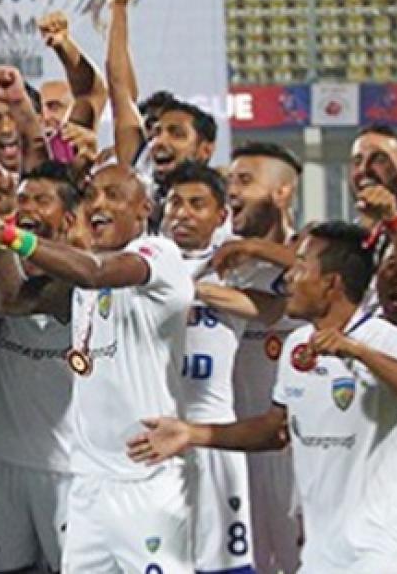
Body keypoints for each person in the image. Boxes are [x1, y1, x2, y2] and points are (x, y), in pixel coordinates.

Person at [129, 222, 397, 572]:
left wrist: (358, 352)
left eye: (300, 266)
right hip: (321, 552)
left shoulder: (385, 339)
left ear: (331, 283)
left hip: (380, 550)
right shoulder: (297, 345)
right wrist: (191, 433)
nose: (288, 278)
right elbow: (274, 430)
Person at [0, 161, 195, 572]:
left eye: (113, 195)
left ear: (144, 209)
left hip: (147, 481)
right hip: (88, 483)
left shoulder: (159, 255)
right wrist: (1, 230)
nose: (98, 204)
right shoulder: (84, 267)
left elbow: (95, 273)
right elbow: (13, 300)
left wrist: (7, 233)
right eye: (91, 196)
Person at [0, 162, 80, 574]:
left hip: (65, 467)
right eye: (23, 199)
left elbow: (12, 301)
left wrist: (1, 229)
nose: (29, 208)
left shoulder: (80, 274)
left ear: (69, 219)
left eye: (42, 200)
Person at [161, 161, 256, 574]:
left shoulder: (236, 264)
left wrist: (190, 288)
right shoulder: (143, 259)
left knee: (226, 565)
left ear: (221, 215)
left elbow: (270, 308)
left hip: (214, 430)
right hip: (155, 430)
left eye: (196, 204)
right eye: (174, 203)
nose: (182, 213)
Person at [221, 141, 304, 573]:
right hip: (233, 442)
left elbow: (312, 262)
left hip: (295, 447)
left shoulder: (311, 259)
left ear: (281, 192)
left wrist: (254, 248)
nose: (232, 191)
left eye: (245, 181)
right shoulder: (222, 263)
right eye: (230, 181)